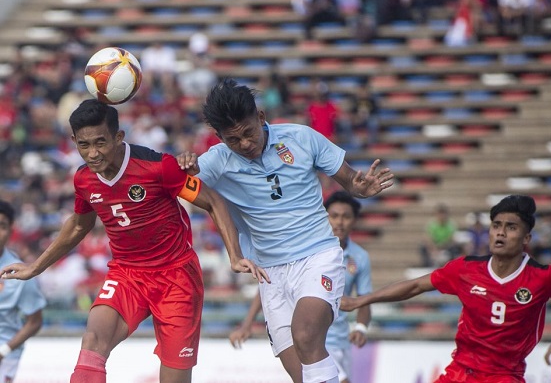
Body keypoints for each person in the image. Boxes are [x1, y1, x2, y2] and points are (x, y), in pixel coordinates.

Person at [0, 99, 266, 383]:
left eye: (100, 143)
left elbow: (212, 201)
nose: (93, 154)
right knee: (92, 343)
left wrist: (234, 256)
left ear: (118, 137)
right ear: (74, 141)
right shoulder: (83, 180)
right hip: (126, 273)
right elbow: (79, 225)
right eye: (84, 145)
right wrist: (36, 266)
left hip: (176, 277)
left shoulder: (158, 167)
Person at [177, 78, 393, 383]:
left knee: (305, 335)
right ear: (219, 137)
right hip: (270, 273)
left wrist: (360, 187)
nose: (245, 144)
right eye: (233, 139)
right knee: (301, 375)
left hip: (318, 256)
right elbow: (173, 182)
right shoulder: (216, 162)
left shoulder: (301, 138)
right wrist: (181, 165)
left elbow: (351, 181)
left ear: (261, 118)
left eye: (249, 133)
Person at [341, 195, 551, 383]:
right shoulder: (466, 270)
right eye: (497, 226)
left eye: (510, 228)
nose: (500, 233)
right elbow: (414, 285)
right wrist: (362, 299)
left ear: (526, 239)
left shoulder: (541, 279)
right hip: (460, 372)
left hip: (505, 377)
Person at [229, 191, 372, 383]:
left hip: (340, 338)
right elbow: (272, 283)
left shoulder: (360, 257)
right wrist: (247, 323)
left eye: (346, 217)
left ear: (354, 221)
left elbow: (364, 297)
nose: (339, 222)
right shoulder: (306, 247)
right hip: (311, 336)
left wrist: (361, 327)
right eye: (334, 216)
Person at [0, 200, 46, 382]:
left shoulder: (19, 272)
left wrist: (4, 351)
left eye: (1, 226)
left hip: (4, 356)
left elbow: (34, 322)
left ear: (11, 230)